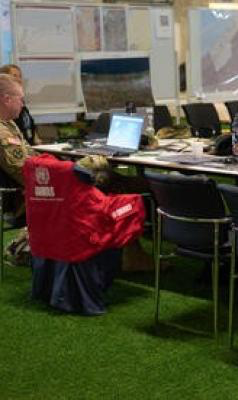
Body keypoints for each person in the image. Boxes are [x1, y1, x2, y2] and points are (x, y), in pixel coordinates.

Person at [0, 74, 151, 270]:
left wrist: (65, 164)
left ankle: (129, 251)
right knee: (112, 182)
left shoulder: (8, 123)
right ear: (6, 99)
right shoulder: (2, 132)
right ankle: (131, 255)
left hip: (43, 186)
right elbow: (27, 171)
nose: (23, 103)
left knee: (109, 177)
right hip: (35, 192)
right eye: (21, 98)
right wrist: (72, 169)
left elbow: (32, 160)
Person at [0, 64, 37, 145]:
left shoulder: (21, 106)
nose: (18, 79)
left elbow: (29, 124)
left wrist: (36, 141)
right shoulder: (7, 111)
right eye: (14, 76)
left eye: (20, 76)